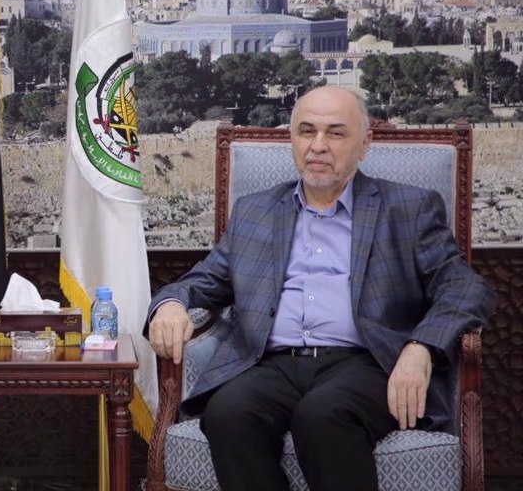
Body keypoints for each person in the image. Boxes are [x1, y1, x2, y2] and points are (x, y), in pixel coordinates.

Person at [145, 86, 496, 491]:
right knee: (228, 414)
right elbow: (202, 282)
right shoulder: (256, 212)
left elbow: (466, 288)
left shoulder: (409, 208)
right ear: (291, 139)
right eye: (306, 131)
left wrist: (420, 348)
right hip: (272, 364)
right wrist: (172, 303)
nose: (318, 146)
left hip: (368, 364)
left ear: (364, 145)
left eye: (335, 133)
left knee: (323, 415)